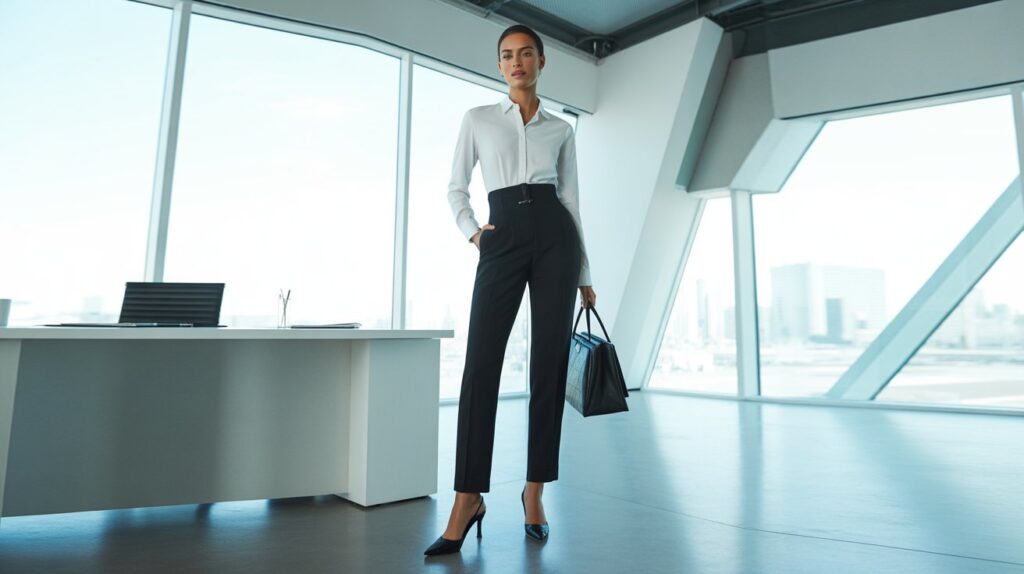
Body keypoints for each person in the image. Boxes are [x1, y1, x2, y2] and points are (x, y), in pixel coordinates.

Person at [424, 24, 596, 557]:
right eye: (507, 56)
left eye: (525, 54)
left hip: (554, 239)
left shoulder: (561, 130)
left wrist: (585, 274)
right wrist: (473, 232)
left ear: (542, 62)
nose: (516, 62)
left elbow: (570, 201)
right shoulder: (477, 120)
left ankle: (535, 491)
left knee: (547, 366)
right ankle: (467, 497)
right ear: (499, 66)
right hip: (500, 237)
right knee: (480, 367)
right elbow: (455, 185)